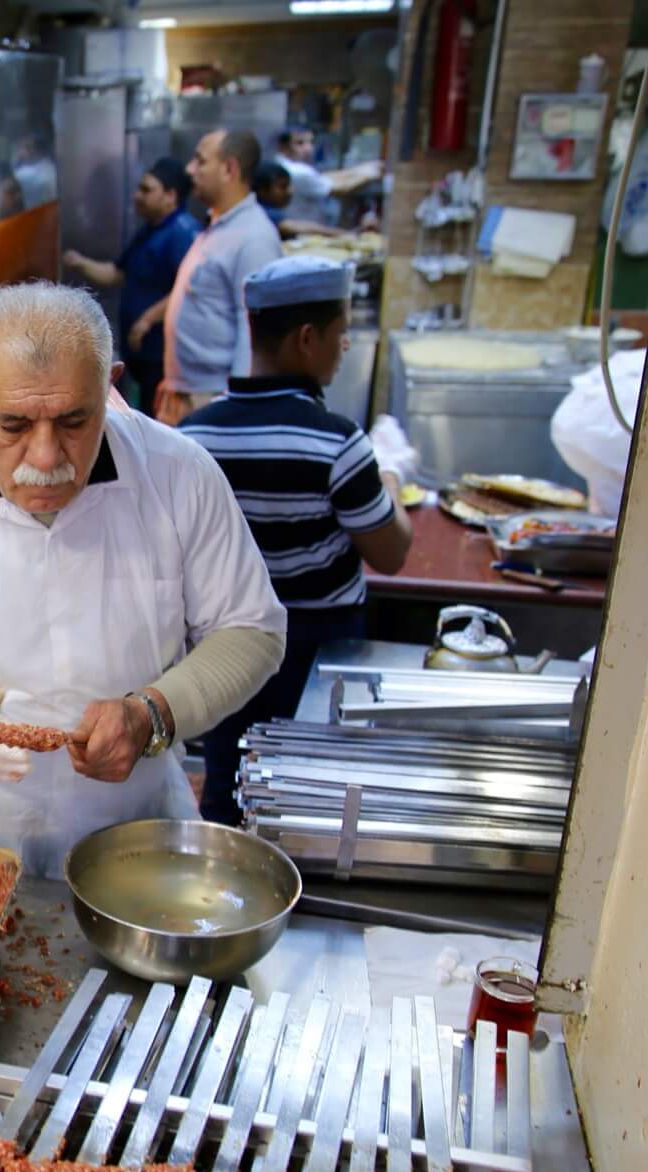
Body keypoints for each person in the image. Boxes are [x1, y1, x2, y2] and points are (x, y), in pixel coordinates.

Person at [0, 282, 288, 877]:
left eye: (75, 420)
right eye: (12, 425)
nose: (47, 457)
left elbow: (250, 630)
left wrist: (151, 714)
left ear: (111, 386)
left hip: (137, 828)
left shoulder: (180, 476)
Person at [179, 257, 413, 826]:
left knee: (227, 796)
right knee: (310, 806)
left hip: (222, 659)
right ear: (308, 339)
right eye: (341, 333)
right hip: (316, 659)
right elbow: (393, 553)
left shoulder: (192, 437)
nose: (347, 346)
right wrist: (391, 480)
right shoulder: (337, 443)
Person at [132, 129, 284, 427]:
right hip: (187, 394)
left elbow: (254, 329)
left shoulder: (253, 238)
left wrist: (238, 408)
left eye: (200, 162)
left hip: (213, 400)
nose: (190, 170)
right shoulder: (218, 226)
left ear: (230, 169)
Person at [62, 157, 198, 415]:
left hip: (162, 353)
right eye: (139, 189)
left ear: (171, 196)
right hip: (140, 350)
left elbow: (188, 288)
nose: (138, 196)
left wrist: (148, 319)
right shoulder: (149, 230)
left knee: (156, 417)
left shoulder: (182, 232)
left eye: (147, 190)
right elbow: (117, 274)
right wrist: (79, 263)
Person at [273, 127, 382, 227]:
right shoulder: (298, 172)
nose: (308, 148)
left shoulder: (282, 162)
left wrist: (360, 169)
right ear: (284, 147)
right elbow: (341, 189)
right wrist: (371, 174)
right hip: (303, 231)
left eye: (311, 142)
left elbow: (323, 178)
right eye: (300, 143)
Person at [254, 162, 347, 241]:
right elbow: (292, 227)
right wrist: (344, 234)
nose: (290, 191)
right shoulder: (261, 211)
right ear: (262, 191)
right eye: (283, 187)